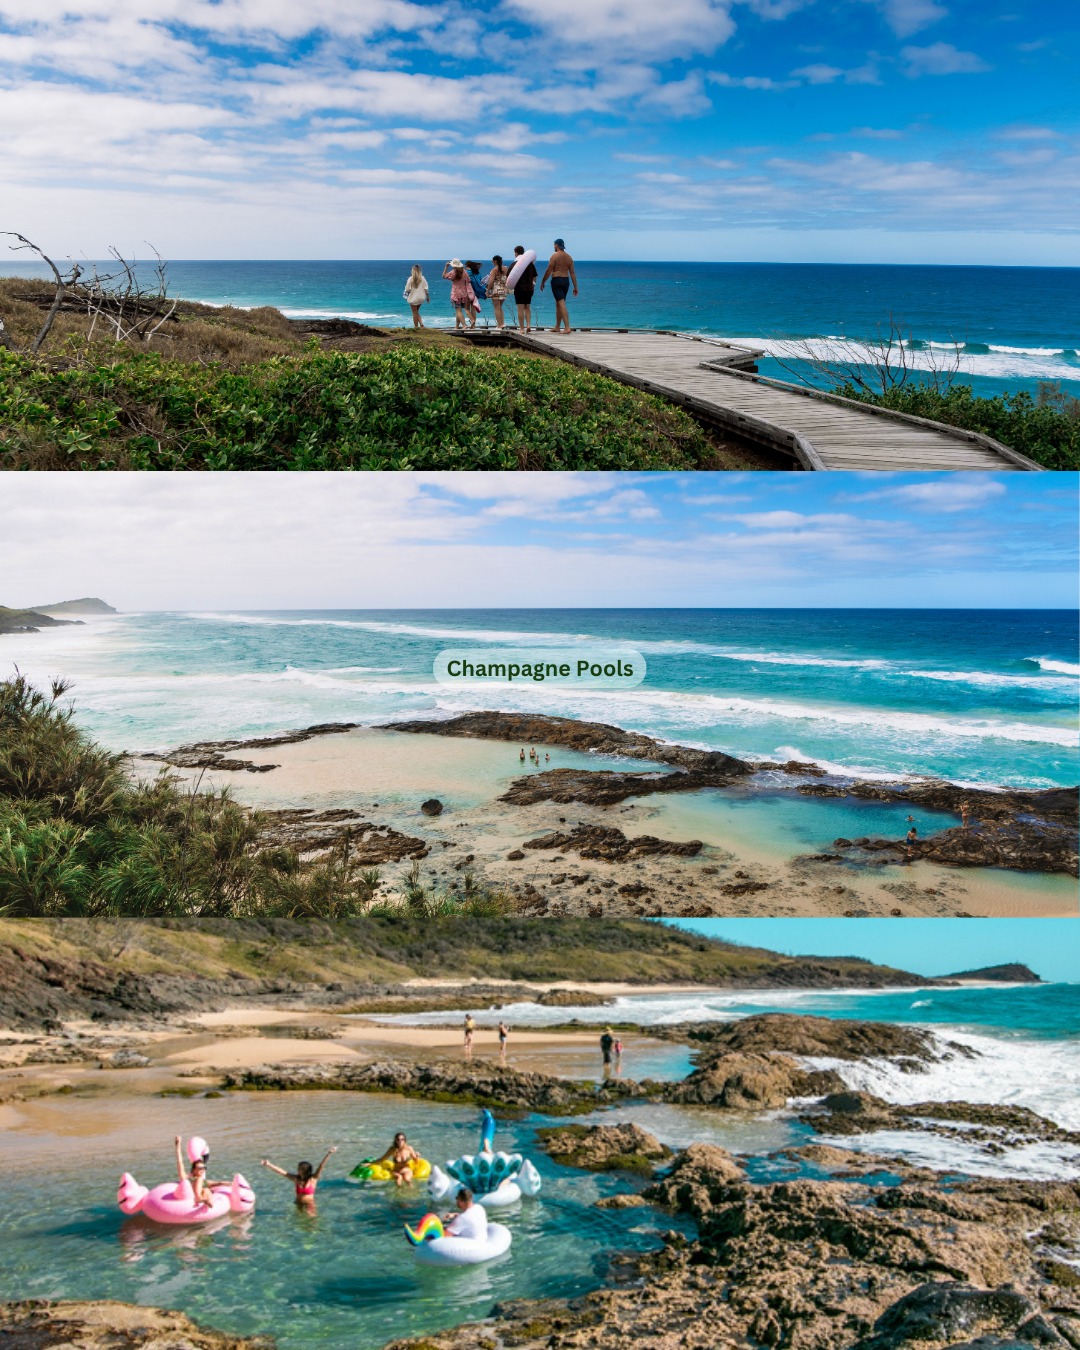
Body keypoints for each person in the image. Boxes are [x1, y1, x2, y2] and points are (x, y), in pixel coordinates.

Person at [260, 1147, 337, 1206]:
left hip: (309, 1205)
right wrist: (269, 1164)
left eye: (300, 1169)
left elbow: (321, 1166)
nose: (298, 1170)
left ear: (305, 1170)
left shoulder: (313, 1179)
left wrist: (329, 1153)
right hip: (298, 1204)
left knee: (311, 1224)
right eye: (298, 1168)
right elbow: (282, 1172)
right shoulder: (296, 1179)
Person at [174, 1135, 224, 1208]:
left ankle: (205, 1200)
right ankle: (199, 1197)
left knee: (207, 1189)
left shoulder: (202, 1179)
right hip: (194, 1196)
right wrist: (178, 1145)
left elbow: (212, 1183)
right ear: (194, 1169)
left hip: (203, 1194)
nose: (202, 1170)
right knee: (203, 1184)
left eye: (204, 1168)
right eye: (200, 1168)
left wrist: (228, 1183)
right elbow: (180, 1161)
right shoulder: (186, 1178)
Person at [540, 239, 578, 332]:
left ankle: (567, 327)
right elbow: (572, 273)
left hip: (557, 280)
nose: (553, 247)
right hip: (566, 281)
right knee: (559, 304)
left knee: (561, 303)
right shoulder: (569, 257)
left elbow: (549, 270)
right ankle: (557, 326)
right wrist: (575, 286)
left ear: (556, 245)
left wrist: (543, 281)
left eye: (554, 245)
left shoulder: (554, 256)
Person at [443, 259, 477, 331]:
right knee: (460, 311)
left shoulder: (453, 272)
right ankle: (458, 325)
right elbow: (468, 280)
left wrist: (446, 267)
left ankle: (464, 325)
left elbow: (444, 276)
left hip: (456, 294)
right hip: (464, 294)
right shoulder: (464, 272)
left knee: (458, 311)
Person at [510, 245, 537, 331]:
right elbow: (535, 275)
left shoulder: (514, 264)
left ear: (516, 252)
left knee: (520, 309)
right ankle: (528, 325)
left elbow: (509, 277)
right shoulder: (530, 264)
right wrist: (533, 284)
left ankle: (522, 328)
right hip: (529, 288)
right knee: (527, 307)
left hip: (519, 289)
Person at [484, 255, 510, 329]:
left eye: (492, 261)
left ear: (495, 261)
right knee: (500, 307)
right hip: (504, 289)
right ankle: (502, 323)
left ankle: (499, 325)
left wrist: (487, 290)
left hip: (496, 289)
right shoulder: (506, 269)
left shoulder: (494, 270)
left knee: (496, 308)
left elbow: (491, 282)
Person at [403, 264, 429, 329]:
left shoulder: (410, 279)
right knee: (416, 312)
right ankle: (422, 325)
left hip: (413, 298)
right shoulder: (422, 278)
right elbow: (426, 289)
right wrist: (428, 297)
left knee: (414, 313)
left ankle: (416, 327)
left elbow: (407, 289)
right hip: (421, 298)